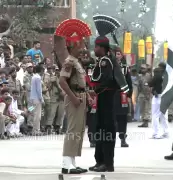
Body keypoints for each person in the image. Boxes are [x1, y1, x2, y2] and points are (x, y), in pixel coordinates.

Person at [89, 14, 130, 172]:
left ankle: (107, 162)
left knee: (106, 130)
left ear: (103, 48)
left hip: (107, 99)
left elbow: (106, 81)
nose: (94, 49)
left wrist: (95, 90)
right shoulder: (104, 60)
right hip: (102, 100)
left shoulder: (106, 61)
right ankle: (100, 161)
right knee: (100, 130)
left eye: (96, 46)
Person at [56, 19, 92, 174]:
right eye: (80, 44)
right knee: (72, 130)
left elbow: (80, 82)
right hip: (74, 98)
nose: (83, 47)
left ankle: (72, 161)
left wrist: (87, 96)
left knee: (78, 131)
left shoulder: (77, 61)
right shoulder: (69, 61)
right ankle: (66, 163)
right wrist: (73, 98)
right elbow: (62, 81)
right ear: (73, 45)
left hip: (80, 96)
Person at [114, 47, 133, 147]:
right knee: (112, 118)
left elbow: (129, 83)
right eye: (115, 54)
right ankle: (109, 139)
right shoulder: (109, 66)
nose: (117, 56)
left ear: (121, 56)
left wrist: (129, 94)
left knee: (122, 118)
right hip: (112, 95)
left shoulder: (125, 68)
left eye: (118, 54)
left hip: (122, 95)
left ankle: (123, 139)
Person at [149, 62, 169, 139]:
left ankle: (156, 133)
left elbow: (150, 83)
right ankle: (166, 132)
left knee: (155, 115)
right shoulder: (168, 76)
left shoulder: (157, 75)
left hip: (158, 96)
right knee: (164, 115)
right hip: (165, 97)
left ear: (160, 67)